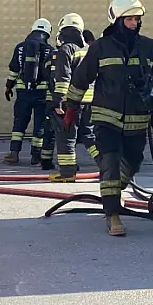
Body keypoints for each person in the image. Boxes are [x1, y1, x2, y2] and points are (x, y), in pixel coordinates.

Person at [64, 0, 153, 236]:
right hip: (106, 117)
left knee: (133, 161)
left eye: (137, 19)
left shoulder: (148, 47)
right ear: (117, 20)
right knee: (110, 161)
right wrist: (71, 107)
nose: (135, 23)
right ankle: (113, 214)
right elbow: (80, 79)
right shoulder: (100, 47)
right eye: (129, 19)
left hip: (138, 119)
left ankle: (113, 195)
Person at [46, 13, 100, 182]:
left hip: (71, 102)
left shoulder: (65, 50)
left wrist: (59, 101)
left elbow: (63, 78)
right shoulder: (86, 49)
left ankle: (67, 173)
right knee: (88, 135)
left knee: (66, 135)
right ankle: (108, 166)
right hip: (89, 100)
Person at [3, 18, 54, 165]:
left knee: (19, 122)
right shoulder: (50, 50)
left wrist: (8, 87)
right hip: (42, 94)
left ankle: (14, 153)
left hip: (23, 92)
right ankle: (35, 156)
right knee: (40, 125)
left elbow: (14, 70)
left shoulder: (20, 47)